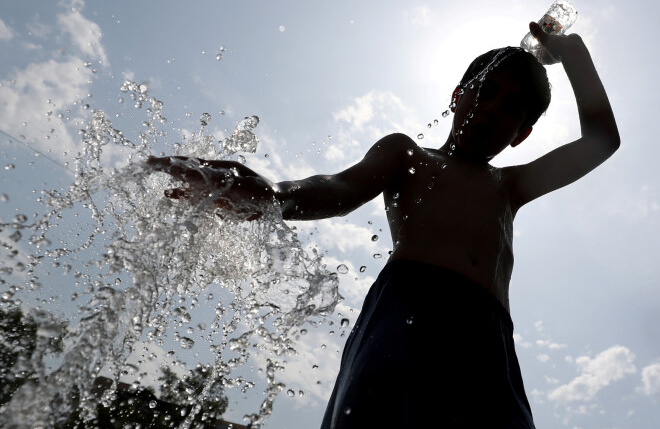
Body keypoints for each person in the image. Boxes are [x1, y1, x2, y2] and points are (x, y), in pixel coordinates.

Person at [146, 22, 620, 428]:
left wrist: (572, 50)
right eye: (487, 90)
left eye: (511, 107)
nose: (492, 108)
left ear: (522, 134)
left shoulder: (510, 186)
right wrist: (274, 195)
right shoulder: (406, 154)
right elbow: (338, 189)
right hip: (405, 315)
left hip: (485, 336)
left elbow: (602, 140)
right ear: (458, 96)